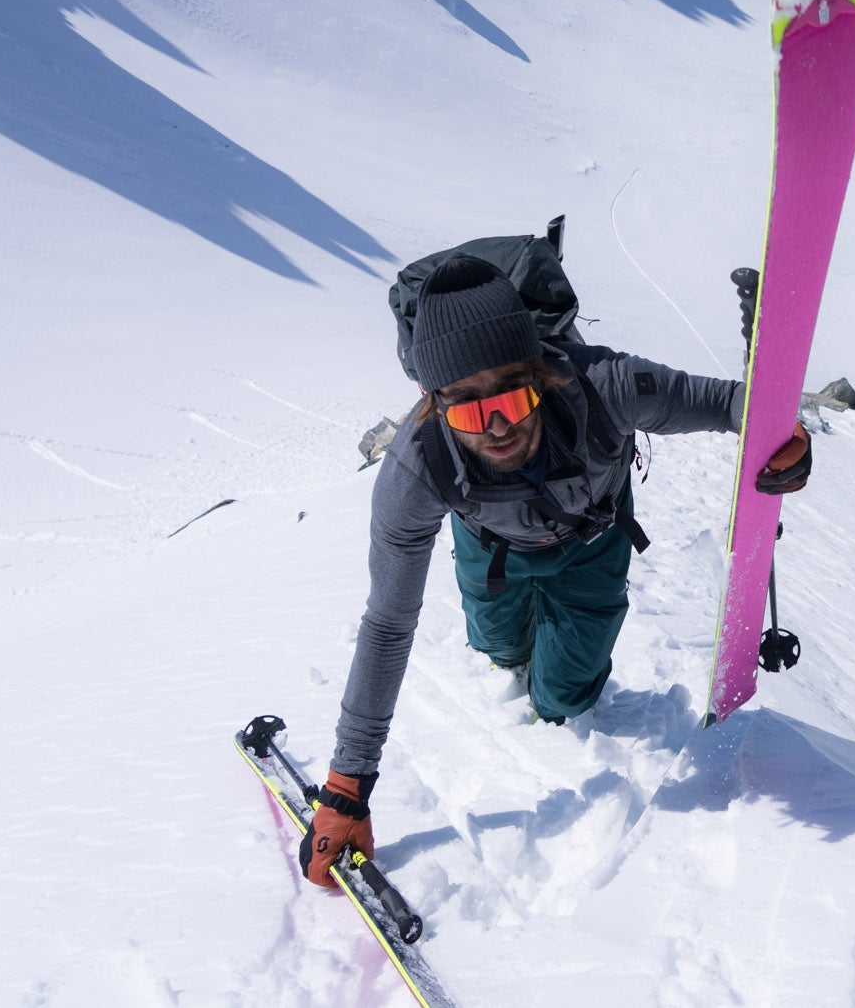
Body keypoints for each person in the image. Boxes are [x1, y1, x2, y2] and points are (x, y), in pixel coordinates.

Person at [300, 254, 812, 886]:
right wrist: (348, 784)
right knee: (494, 643)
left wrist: (782, 440)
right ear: (432, 404)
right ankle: (511, 651)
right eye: (464, 408)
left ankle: (552, 679)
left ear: (540, 372)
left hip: (590, 542)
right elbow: (387, 624)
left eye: (513, 393)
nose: (496, 425)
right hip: (490, 548)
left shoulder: (604, 386)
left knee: (563, 696)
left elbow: (735, 409)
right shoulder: (416, 468)